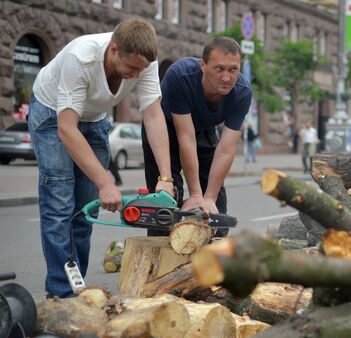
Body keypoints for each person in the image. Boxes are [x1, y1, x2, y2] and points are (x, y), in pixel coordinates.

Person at [28, 18, 174, 298]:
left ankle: (78, 288)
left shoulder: (145, 61)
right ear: (113, 49)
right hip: (51, 113)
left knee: (86, 210)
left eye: (141, 69)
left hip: (94, 118)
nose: (136, 74)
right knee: (60, 206)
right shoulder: (80, 57)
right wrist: (105, 181)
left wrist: (165, 178)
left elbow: (154, 115)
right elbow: (66, 128)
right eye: (131, 67)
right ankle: (61, 295)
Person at [141, 37, 252, 236]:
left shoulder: (242, 93)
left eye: (233, 70)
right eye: (219, 69)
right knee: (165, 207)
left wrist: (208, 197)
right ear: (203, 65)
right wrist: (195, 194)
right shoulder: (181, 75)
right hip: (165, 131)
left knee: (216, 213)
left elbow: (226, 148)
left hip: (202, 130)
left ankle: (206, 263)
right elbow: (186, 137)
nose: (227, 77)